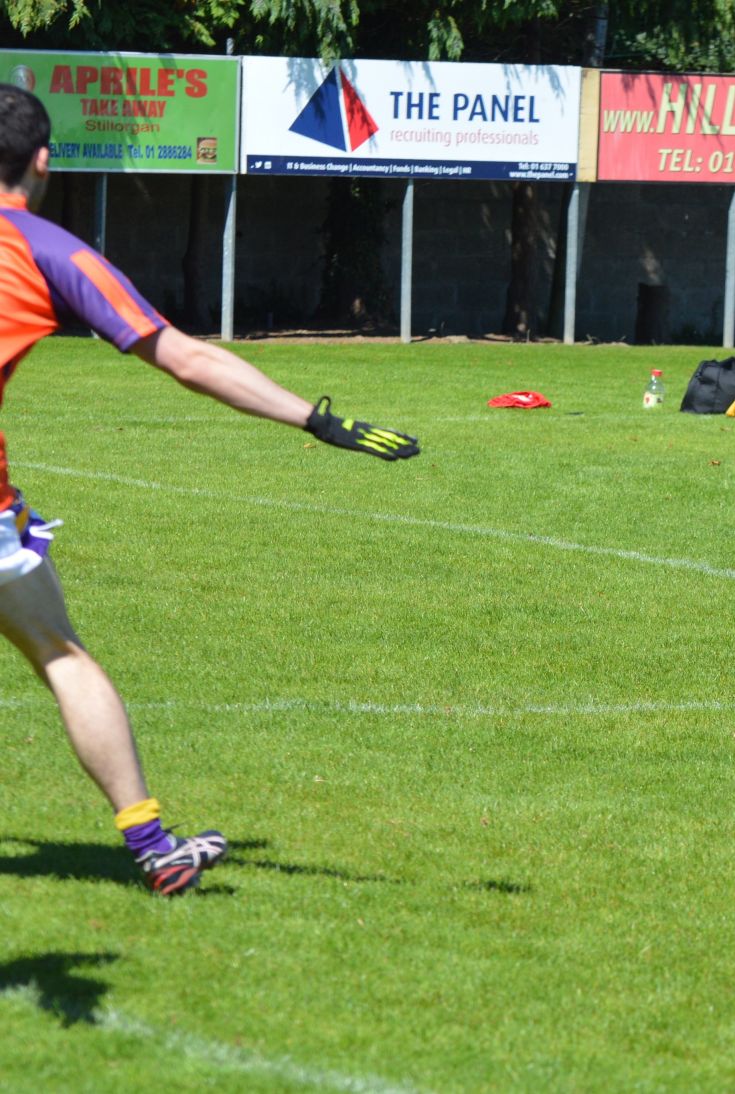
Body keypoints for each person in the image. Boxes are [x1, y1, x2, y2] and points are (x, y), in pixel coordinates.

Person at [0, 84, 420, 895]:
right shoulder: (51, 251)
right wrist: (316, 421)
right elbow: (184, 357)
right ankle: (153, 848)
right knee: (62, 656)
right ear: (43, 161)